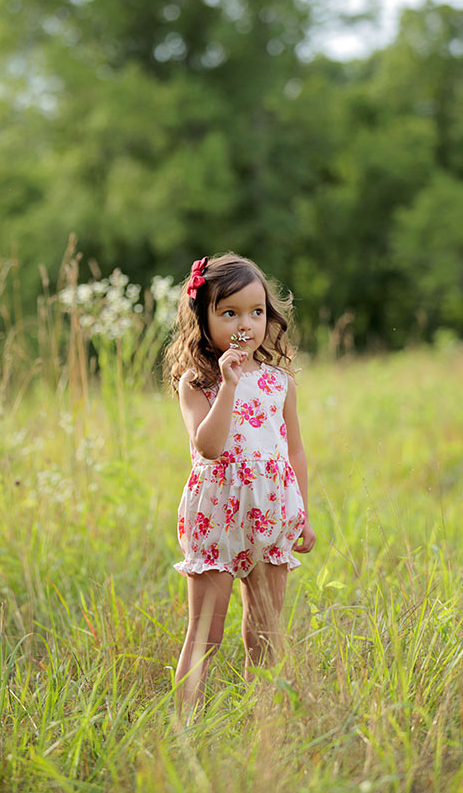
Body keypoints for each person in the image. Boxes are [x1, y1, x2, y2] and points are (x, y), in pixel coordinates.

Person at [164, 253, 316, 713]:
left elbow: (294, 451)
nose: (244, 324)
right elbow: (208, 447)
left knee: (266, 632)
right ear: (203, 319)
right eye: (228, 313)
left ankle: (261, 723)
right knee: (205, 634)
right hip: (217, 516)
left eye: (256, 312)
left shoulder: (277, 382)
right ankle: (183, 728)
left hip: (271, 512)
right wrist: (227, 385)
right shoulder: (199, 382)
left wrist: (302, 516)